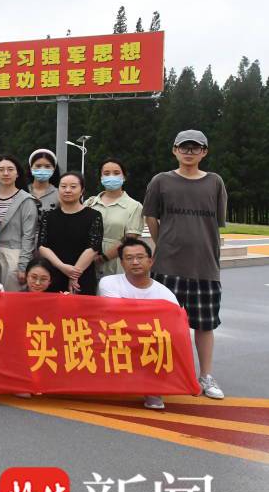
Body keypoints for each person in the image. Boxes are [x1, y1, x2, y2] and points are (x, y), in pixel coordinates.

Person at [142, 129, 228, 401]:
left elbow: (216, 223)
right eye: (184, 147)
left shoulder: (215, 182)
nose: (189, 152)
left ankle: (206, 376)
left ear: (204, 152)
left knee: (205, 325)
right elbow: (151, 217)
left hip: (205, 266)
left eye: (195, 148)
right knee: (162, 326)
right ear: (174, 150)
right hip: (167, 266)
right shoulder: (161, 181)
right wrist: (164, 244)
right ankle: (157, 380)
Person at [98, 238, 180, 410]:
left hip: (146, 342)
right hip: (113, 337)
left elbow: (174, 326)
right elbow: (115, 315)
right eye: (129, 258)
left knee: (164, 339)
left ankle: (152, 388)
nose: (135, 262)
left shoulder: (166, 295)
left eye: (140, 257)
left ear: (150, 261)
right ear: (122, 263)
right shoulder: (108, 282)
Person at [37, 171, 104, 295]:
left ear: (82, 190)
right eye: (63, 186)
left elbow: (93, 247)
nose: (67, 190)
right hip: (54, 274)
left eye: (73, 187)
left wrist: (74, 274)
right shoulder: (49, 216)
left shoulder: (94, 215)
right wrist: (62, 267)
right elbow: (42, 246)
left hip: (82, 276)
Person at [0, 154, 39, 292]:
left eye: (10, 169)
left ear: (17, 174)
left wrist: (23, 266)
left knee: (11, 298)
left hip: (14, 255)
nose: (6, 173)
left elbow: (29, 236)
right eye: (1, 169)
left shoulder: (27, 201)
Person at [85, 157, 144, 280]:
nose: (111, 177)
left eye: (116, 173)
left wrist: (102, 258)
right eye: (106, 173)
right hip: (86, 263)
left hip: (116, 263)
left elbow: (129, 239)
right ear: (101, 177)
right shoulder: (89, 203)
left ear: (124, 177)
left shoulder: (134, 206)